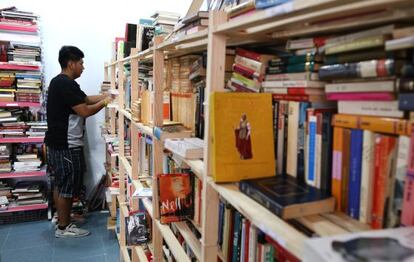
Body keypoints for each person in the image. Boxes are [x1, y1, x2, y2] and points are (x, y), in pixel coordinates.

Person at [45, 46, 111, 238]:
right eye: (81, 63)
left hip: (59, 144)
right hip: (66, 145)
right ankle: (64, 228)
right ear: (71, 63)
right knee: (67, 186)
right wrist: (106, 103)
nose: (83, 67)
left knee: (61, 184)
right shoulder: (65, 84)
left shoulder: (63, 83)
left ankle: (62, 220)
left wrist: (109, 95)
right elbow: (85, 110)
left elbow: (85, 99)